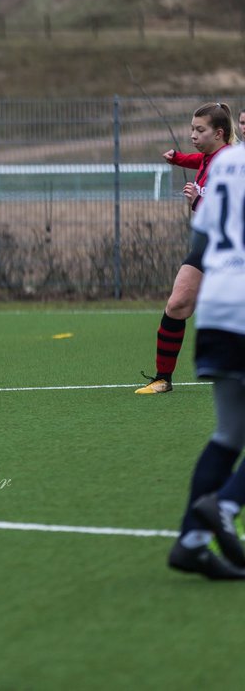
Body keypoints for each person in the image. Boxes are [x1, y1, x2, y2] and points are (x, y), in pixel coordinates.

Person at [167, 135, 245, 579]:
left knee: (230, 434)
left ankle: (191, 543)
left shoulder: (228, 163)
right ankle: (226, 503)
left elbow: (202, 241)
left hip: (217, 304)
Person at [136, 103, 238, 394]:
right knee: (178, 303)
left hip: (233, 249)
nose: (193, 134)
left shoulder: (231, 163)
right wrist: (178, 159)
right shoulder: (211, 157)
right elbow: (199, 160)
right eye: (192, 128)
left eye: (199, 129)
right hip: (208, 243)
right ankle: (162, 378)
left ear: (219, 133)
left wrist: (197, 202)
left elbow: (229, 212)